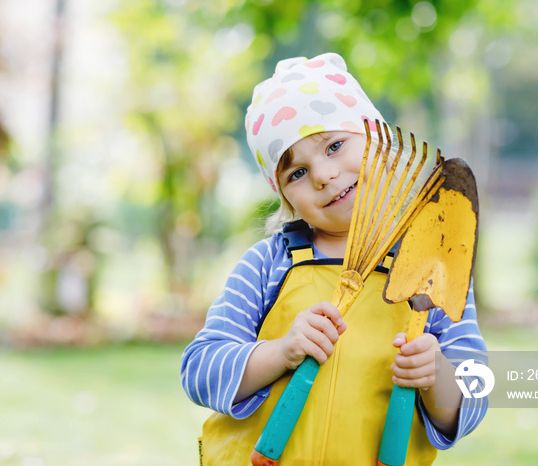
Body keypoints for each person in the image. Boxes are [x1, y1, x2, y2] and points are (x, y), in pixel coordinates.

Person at [181, 52, 487, 465]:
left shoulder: (430, 264)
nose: (323, 174)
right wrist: (281, 351)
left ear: (381, 144)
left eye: (335, 145)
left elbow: (474, 394)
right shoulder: (267, 264)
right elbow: (199, 370)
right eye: (297, 173)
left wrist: (436, 376)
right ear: (285, 198)